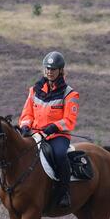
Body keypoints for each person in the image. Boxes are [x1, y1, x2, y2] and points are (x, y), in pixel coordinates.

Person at [19, 51, 80, 209]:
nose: (49, 72)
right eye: (47, 68)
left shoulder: (70, 94)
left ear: (61, 70)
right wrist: (25, 126)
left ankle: (64, 192)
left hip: (57, 136)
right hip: (35, 133)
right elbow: (27, 113)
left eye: (53, 69)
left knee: (60, 155)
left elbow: (69, 120)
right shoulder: (34, 90)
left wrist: (54, 127)